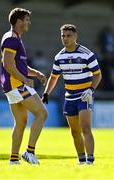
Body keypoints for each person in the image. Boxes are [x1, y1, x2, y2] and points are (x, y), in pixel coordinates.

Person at [42, 24, 102, 164]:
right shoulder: (59, 56)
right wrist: (46, 93)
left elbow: (98, 75)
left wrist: (91, 89)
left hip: (84, 95)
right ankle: (81, 160)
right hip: (69, 97)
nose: (65, 38)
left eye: (68, 35)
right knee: (74, 131)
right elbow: (54, 76)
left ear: (75, 36)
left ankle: (90, 160)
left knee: (85, 127)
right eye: (63, 36)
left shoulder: (87, 54)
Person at [0, 8, 48, 165]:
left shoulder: (15, 38)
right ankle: (30, 152)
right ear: (19, 21)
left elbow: (19, 66)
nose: (29, 22)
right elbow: (8, 64)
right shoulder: (11, 39)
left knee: (20, 123)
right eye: (26, 19)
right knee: (42, 113)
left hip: (11, 86)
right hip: (16, 84)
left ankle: (14, 159)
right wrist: (25, 80)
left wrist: (36, 73)